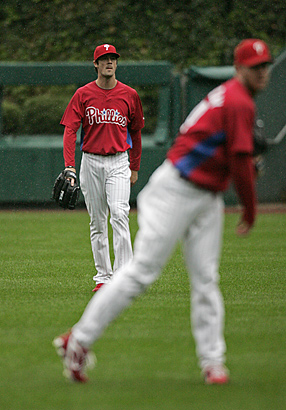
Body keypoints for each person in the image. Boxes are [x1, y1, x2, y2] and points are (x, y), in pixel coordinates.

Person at [53, 39, 272, 384]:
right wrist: (250, 207)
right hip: (176, 189)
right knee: (141, 272)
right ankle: (77, 340)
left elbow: (224, 154)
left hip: (206, 195)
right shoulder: (237, 101)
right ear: (239, 69)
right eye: (255, 66)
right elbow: (239, 162)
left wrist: (241, 163)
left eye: (266, 66)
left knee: (205, 280)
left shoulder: (234, 98)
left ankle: (213, 362)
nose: (262, 72)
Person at [60, 44, 144, 292]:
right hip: (91, 161)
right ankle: (103, 277)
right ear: (95, 64)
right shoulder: (83, 94)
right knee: (97, 221)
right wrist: (69, 167)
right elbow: (70, 131)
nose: (109, 62)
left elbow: (136, 133)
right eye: (104, 59)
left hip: (119, 161)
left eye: (113, 58)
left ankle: (123, 276)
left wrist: (135, 166)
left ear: (117, 63)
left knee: (119, 214)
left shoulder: (129, 95)